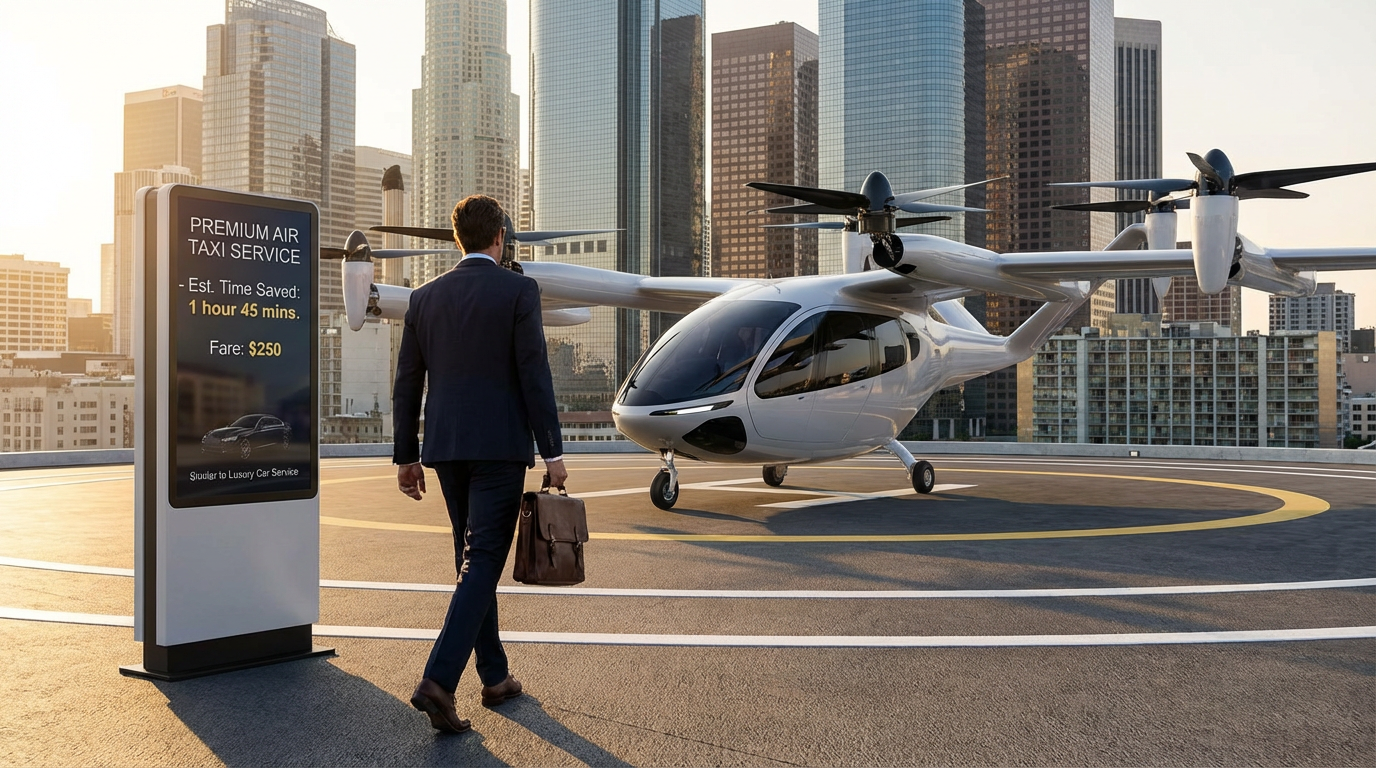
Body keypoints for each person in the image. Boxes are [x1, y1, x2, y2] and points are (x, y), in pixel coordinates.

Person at [392, 194, 567, 734]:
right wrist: (554, 452)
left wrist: (406, 455)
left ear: (458, 239)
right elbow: (533, 372)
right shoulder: (518, 290)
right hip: (499, 447)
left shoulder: (423, 298)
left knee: (471, 557)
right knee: (484, 557)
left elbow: (407, 384)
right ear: (499, 238)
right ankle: (438, 682)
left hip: (446, 448)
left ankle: (493, 676)